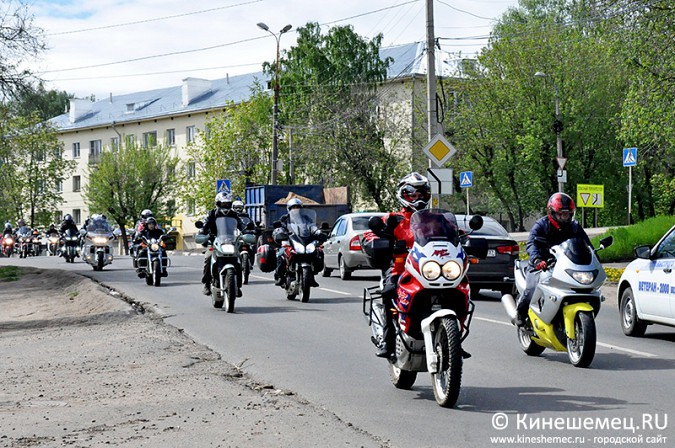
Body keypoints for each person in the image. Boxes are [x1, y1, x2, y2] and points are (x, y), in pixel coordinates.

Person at [371, 172, 431, 358]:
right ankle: (387, 343)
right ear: (403, 195)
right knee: (390, 293)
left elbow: (456, 234)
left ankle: (453, 342)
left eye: (421, 194)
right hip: (400, 268)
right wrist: (383, 243)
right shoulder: (392, 219)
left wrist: (466, 240)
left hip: (429, 269)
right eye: (412, 194)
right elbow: (370, 235)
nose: (417, 198)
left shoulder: (436, 219)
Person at [514, 192, 592, 326]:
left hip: (564, 265)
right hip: (542, 264)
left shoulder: (574, 227)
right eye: (561, 213)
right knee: (531, 289)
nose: (564, 217)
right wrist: (537, 260)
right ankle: (520, 313)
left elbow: (586, 244)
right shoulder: (541, 225)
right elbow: (531, 244)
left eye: (567, 214)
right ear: (552, 212)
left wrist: (593, 256)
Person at [199, 192, 246, 296]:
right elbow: (205, 225)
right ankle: (206, 284)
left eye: (227, 204)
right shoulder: (211, 214)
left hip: (230, 241)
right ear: (218, 203)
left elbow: (241, 224)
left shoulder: (234, 214)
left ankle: (237, 286)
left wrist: (246, 232)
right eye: (223, 204)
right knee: (208, 257)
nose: (225, 206)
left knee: (238, 260)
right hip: (214, 241)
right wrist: (202, 233)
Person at [272, 198, 323, 287]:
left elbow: (312, 226)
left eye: (298, 207)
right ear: (289, 209)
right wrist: (281, 232)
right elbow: (281, 227)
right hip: (290, 240)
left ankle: (312, 275)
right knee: (280, 254)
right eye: (293, 207)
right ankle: (279, 276)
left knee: (317, 252)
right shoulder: (285, 219)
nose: (296, 209)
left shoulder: (306, 218)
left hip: (304, 240)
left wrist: (317, 232)